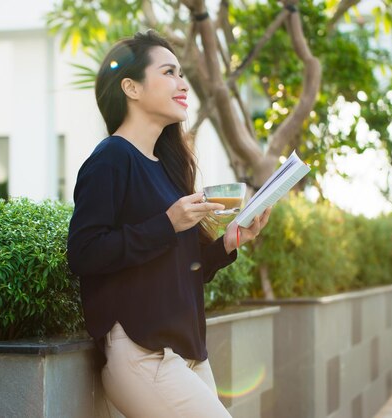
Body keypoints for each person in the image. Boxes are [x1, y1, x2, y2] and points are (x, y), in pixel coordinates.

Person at [67, 30, 271, 418]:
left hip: (187, 354)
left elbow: (184, 269)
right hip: (142, 353)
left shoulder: (169, 169)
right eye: (169, 72)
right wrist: (167, 223)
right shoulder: (111, 158)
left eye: (181, 74)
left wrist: (229, 242)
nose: (182, 84)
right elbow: (84, 253)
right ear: (131, 87)